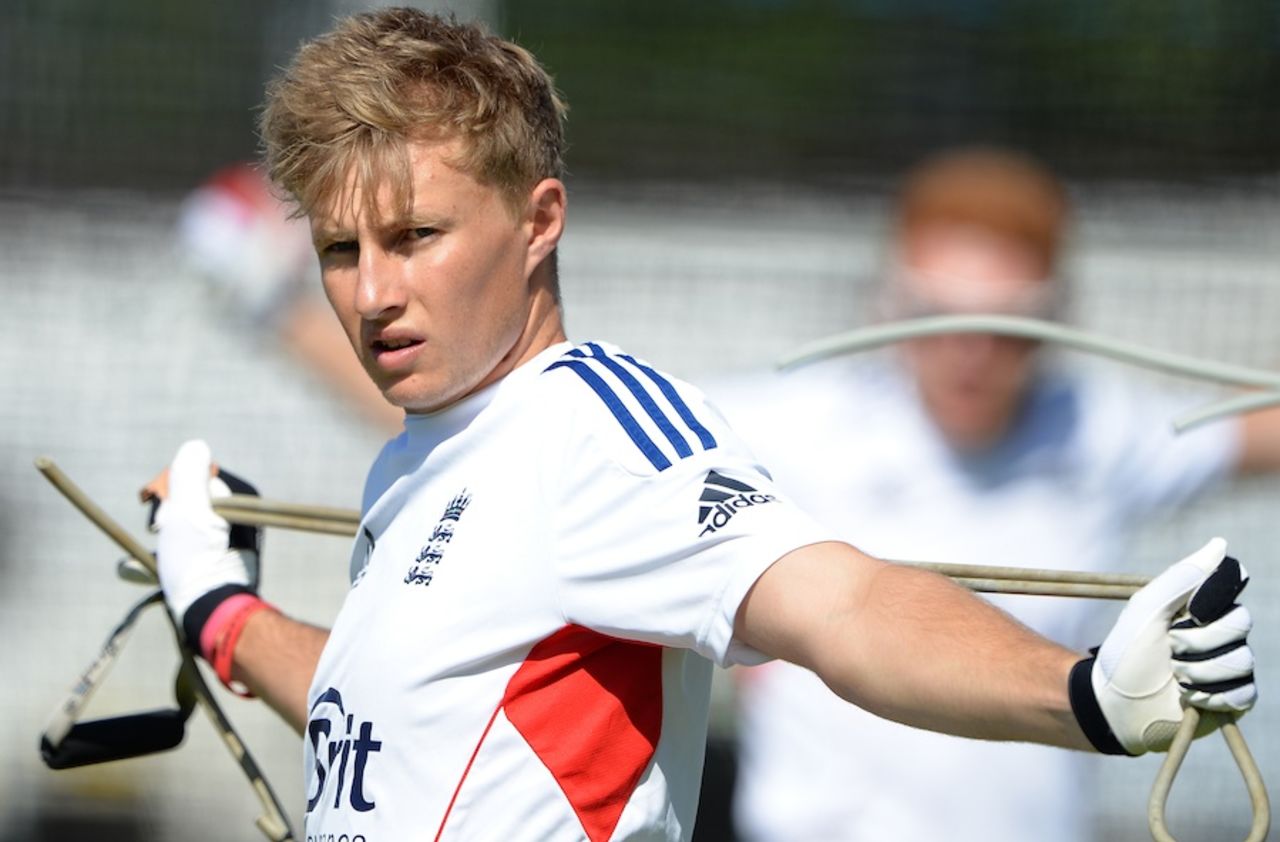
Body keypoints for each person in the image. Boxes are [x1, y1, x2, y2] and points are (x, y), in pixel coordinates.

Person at [145, 12, 1257, 841]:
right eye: (340, 252)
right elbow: (392, 724)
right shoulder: (426, 456)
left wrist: (1084, 695)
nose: (374, 292)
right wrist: (220, 611)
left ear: (538, 221)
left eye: (416, 236)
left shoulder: (599, 435)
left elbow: (842, 602)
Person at [711, 147, 1280, 842]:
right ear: (890, 305)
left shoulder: (1092, 431)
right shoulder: (791, 428)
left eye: (1006, 329)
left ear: (1053, 317)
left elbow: (1256, 433)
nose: (969, 352)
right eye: (935, 316)